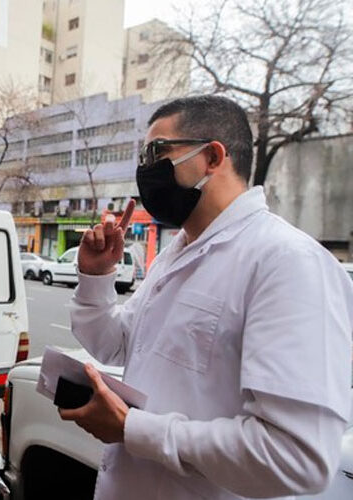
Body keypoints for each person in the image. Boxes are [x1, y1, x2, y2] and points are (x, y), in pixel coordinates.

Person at [61, 95, 352, 499]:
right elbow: (116, 345)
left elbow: (296, 458)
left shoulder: (288, 262)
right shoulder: (177, 252)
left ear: (213, 157)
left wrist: (134, 428)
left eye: (157, 152)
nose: (146, 169)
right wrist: (96, 276)